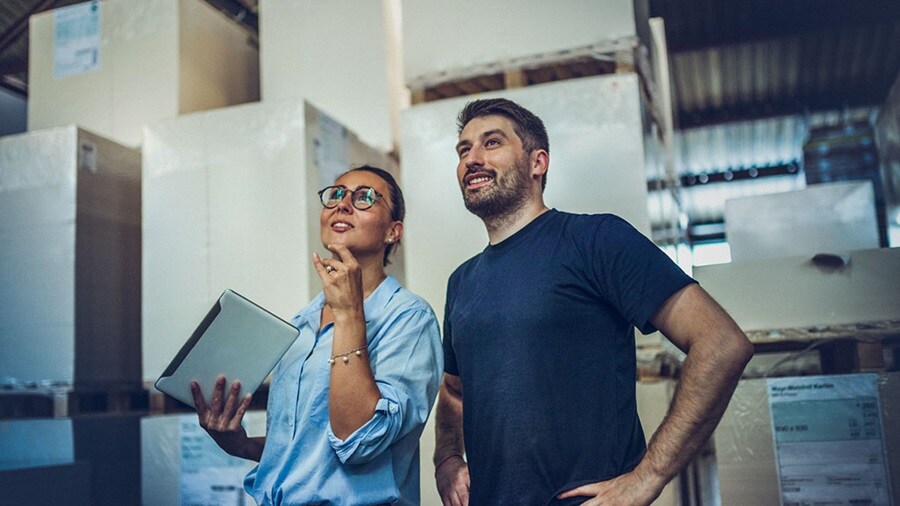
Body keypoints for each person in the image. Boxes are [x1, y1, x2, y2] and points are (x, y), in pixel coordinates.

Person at [433, 98, 754, 505]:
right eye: (463, 150)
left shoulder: (596, 240)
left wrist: (648, 476)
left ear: (538, 163)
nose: (472, 159)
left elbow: (722, 343)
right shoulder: (462, 281)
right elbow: (454, 390)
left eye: (491, 143)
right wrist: (446, 458)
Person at [190, 165, 443, 505]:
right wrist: (243, 445)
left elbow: (358, 440)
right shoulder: (302, 324)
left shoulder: (409, 320)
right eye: (336, 194)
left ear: (393, 231)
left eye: (365, 197)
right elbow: (309, 450)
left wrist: (350, 314)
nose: (343, 204)